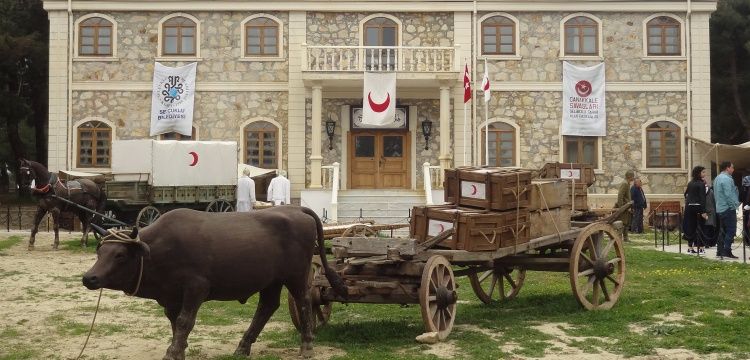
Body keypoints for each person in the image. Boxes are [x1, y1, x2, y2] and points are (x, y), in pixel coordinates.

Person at [713, 161, 740, 259]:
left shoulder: (717, 178)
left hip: (720, 208)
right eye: (732, 167)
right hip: (727, 208)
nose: (733, 170)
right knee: (731, 230)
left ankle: (720, 251)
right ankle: (726, 251)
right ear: (727, 168)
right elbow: (729, 195)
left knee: (722, 230)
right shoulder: (727, 179)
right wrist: (734, 206)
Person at [682, 166, 708, 254]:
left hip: (689, 207)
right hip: (698, 207)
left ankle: (690, 247)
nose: (705, 174)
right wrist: (703, 211)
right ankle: (701, 248)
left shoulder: (690, 183)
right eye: (703, 172)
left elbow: (685, 194)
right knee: (701, 226)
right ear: (699, 173)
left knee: (691, 227)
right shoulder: (701, 184)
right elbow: (702, 198)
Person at [615, 170, 635, 242]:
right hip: (624, 207)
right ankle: (619, 238)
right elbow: (620, 195)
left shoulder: (627, 183)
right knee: (623, 223)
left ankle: (626, 238)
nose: (633, 177)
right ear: (629, 176)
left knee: (626, 222)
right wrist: (621, 207)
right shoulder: (625, 184)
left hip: (627, 207)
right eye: (633, 176)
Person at [700, 178, 718, 248]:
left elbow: (713, 201)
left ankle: (708, 243)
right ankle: (708, 243)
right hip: (707, 211)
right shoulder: (710, 191)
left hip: (708, 211)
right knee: (708, 228)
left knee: (708, 228)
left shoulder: (710, 191)